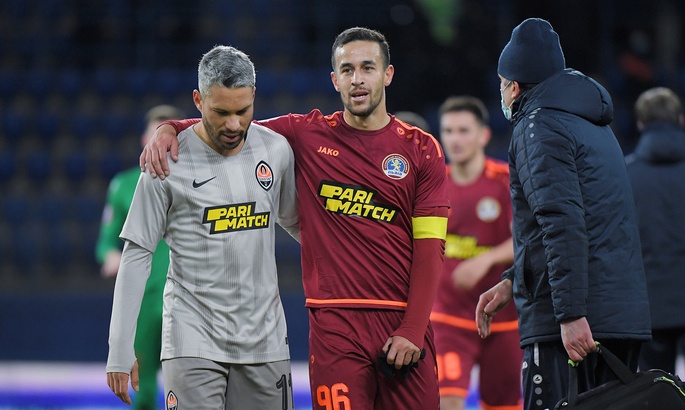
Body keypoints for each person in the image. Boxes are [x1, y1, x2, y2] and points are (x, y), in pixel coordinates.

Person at [141, 27, 449, 409]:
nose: (357, 78)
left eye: (368, 68)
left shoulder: (422, 150)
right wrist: (170, 128)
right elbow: (231, 126)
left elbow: (430, 249)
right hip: (335, 326)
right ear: (334, 79)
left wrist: (414, 329)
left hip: (402, 321)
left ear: (387, 74)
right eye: (347, 69)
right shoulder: (306, 134)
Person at [106, 45, 299, 409]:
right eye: (221, 112)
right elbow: (136, 254)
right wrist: (119, 346)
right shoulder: (165, 160)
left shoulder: (276, 149)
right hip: (191, 340)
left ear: (254, 96)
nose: (233, 124)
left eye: (243, 111)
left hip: (266, 341)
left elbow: (299, 223)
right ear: (198, 100)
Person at [475, 18, 651, 410]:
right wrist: (513, 280)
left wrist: (570, 315)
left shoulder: (536, 126)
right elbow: (588, 221)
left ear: (514, 86)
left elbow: (561, 223)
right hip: (619, 315)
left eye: (502, 83)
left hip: (571, 325)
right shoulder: (594, 123)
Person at [430, 96, 521, 410]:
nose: (455, 139)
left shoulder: (506, 181)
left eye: (463, 130)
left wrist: (487, 258)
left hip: (503, 317)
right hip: (448, 316)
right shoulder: (433, 184)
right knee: (446, 400)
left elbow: (526, 240)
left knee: (503, 405)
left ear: (483, 135)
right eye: (448, 131)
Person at [96, 104, 184, 410]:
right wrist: (110, 255)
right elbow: (105, 240)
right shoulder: (124, 185)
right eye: (156, 134)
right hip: (145, 301)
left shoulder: (196, 180)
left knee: (190, 387)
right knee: (143, 389)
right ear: (145, 139)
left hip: (187, 298)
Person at [626, 87, 685, 376]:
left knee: (659, 390)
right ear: (681, 120)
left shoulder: (624, 174)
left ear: (640, 123)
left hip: (650, 304)